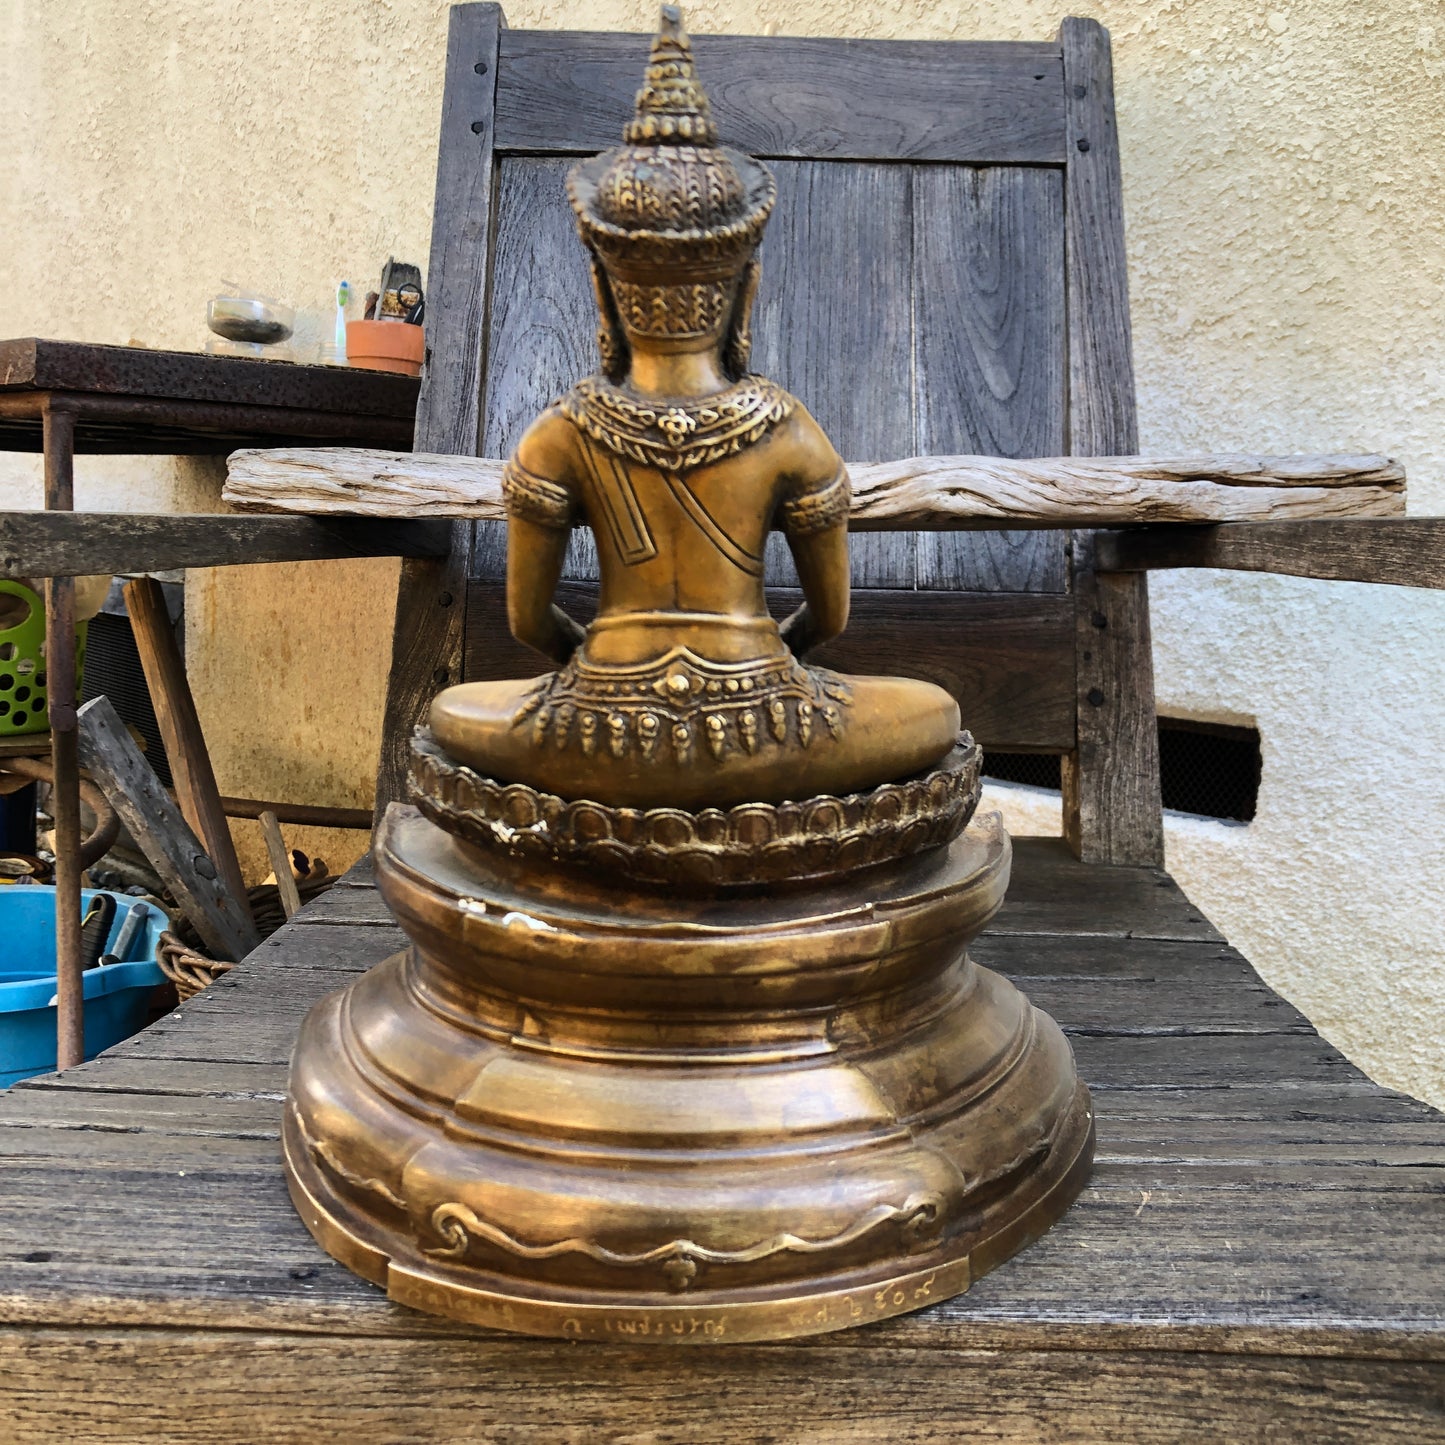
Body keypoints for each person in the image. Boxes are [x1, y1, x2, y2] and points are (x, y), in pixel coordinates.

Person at [431, 7, 958, 809]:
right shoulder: (784, 428)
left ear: (604, 292)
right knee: (933, 712)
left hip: (599, 727)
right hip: (764, 722)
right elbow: (830, 617)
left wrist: (599, 677)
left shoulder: (558, 433)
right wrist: (761, 670)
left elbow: (530, 623)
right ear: (744, 292)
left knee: (454, 715)